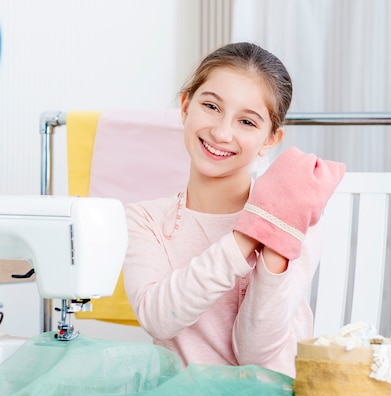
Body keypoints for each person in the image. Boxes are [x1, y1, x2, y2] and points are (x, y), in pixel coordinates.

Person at [122, 42, 346, 377]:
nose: (222, 132)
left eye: (247, 122)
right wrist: (250, 233)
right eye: (211, 106)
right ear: (185, 107)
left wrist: (275, 241)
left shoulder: (298, 219)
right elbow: (157, 318)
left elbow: (254, 351)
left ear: (270, 139)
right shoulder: (146, 220)